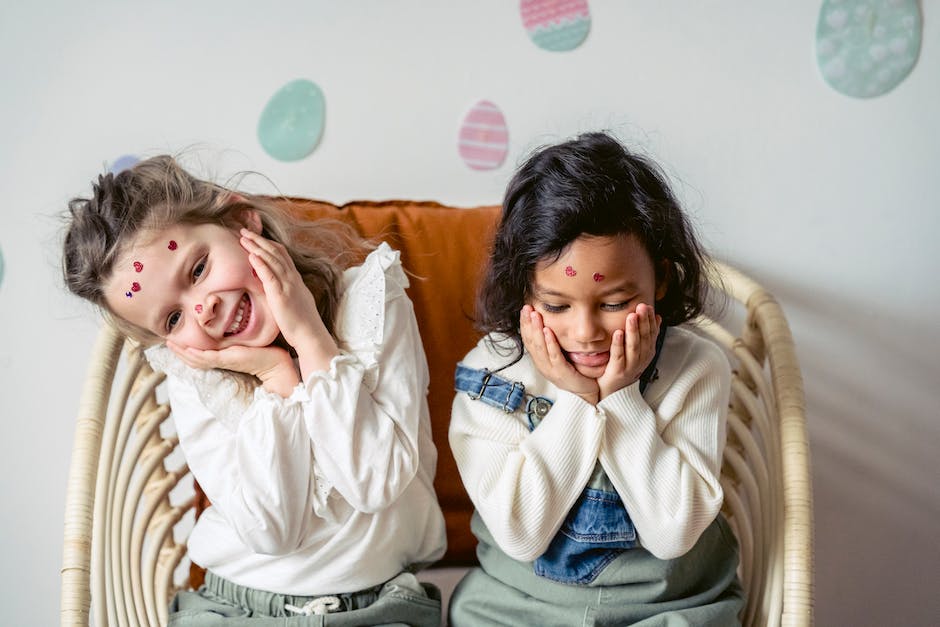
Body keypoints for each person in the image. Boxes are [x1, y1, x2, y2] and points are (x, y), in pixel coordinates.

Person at [62, 155, 447, 625]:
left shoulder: (371, 304)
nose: (202, 310)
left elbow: (376, 482)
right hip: (235, 606)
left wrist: (309, 338)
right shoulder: (197, 377)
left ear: (244, 220)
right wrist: (277, 378)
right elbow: (274, 532)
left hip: (380, 609)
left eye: (198, 269)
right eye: (173, 318)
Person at [448, 132, 745, 625]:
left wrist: (622, 397)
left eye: (614, 303)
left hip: (667, 605)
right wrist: (578, 401)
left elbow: (673, 532)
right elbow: (521, 535)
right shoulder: (490, 374)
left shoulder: (695, 368)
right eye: (555, 305)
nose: (585, 333)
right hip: (520, 605)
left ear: (663, 280)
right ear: (523, 288)